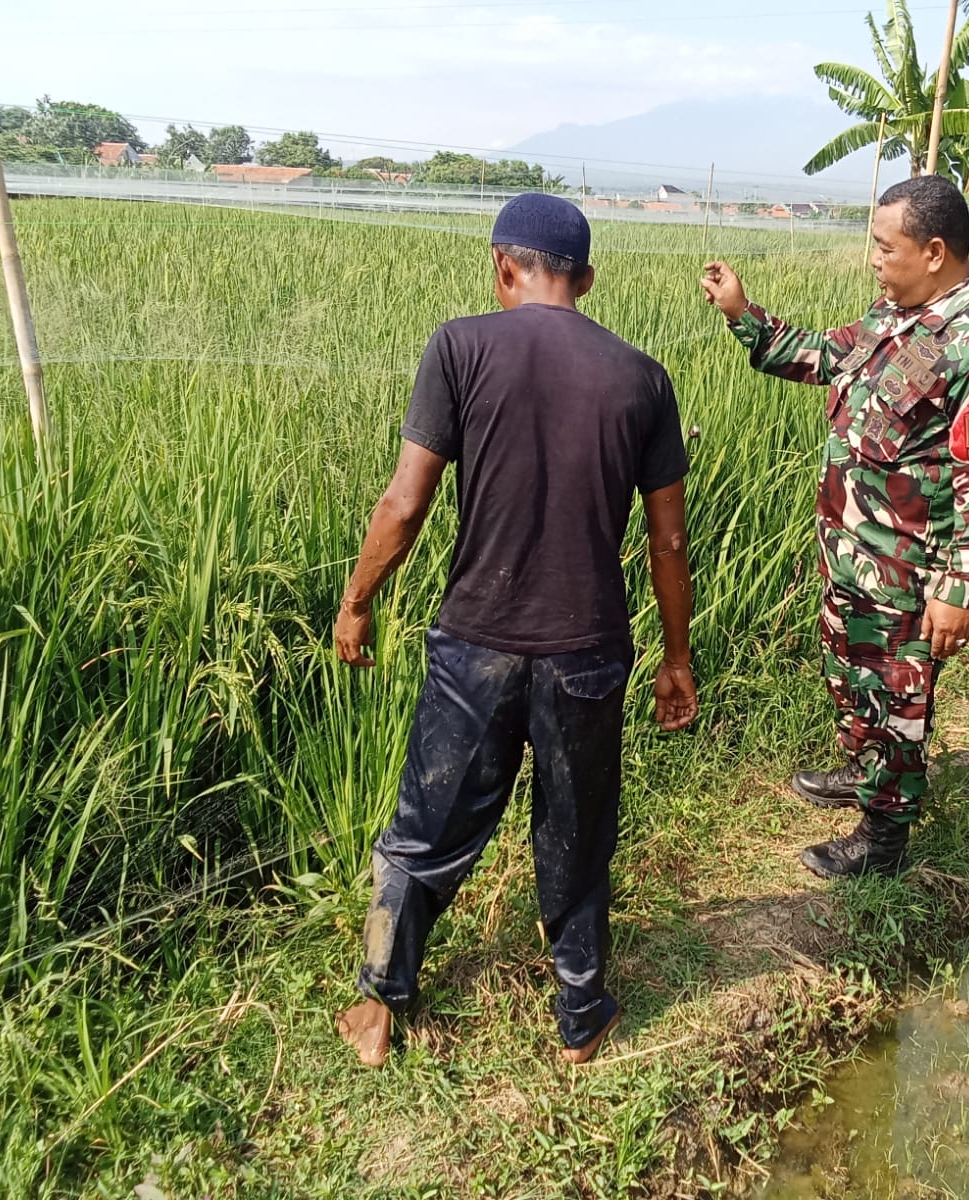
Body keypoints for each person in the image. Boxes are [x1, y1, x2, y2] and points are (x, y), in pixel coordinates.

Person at [333, 193, 698, 1069]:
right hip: (588, 648)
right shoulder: (642, 376)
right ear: (588, 279)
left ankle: (381, 1011)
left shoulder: (460, 346)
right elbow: (669, 538)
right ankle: (581, 1018)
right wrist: (678, 657)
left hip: (476, 644)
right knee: (576, 829)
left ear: (502, 265)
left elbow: (405, 502)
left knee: (426, 827)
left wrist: (356, 599)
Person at [701, 175, 969, 879]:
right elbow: (822, 355)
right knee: (854, 680)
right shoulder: (896, 318)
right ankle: (865, 769)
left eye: (886, 247)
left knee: (896, 697)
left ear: (934, 251)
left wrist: (957, 589)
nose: (874, 259)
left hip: (909, 573)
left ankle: (883, 841)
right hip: (853, 556)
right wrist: (741, 314)